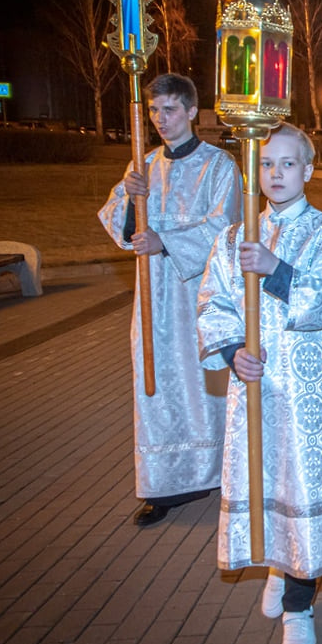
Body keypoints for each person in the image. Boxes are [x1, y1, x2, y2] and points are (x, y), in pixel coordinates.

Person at [196, 124, 322, 644]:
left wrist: (276, 271)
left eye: (288, 164)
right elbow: (213, 299)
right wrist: (229, 350)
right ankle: (273, 562)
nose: (276, 174)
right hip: (252, 389)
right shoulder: (234, 236)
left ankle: (299, 604)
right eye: (266, 164)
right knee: (258, 477)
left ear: (309, 170)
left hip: (303, 389)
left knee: (299, 482)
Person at [97, 72, 242, 527]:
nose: (161, 119)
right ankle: (161, 484)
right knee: (155, 386)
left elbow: (226, 228)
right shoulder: (144, 166)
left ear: (192, 112)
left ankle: (221, 471)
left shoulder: (220, 166)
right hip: (155, 301)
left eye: (171, 110)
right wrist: (128, 199)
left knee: (205, 384)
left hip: (200, 296)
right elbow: (116, 221)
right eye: (154, 111)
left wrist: (166, 242)